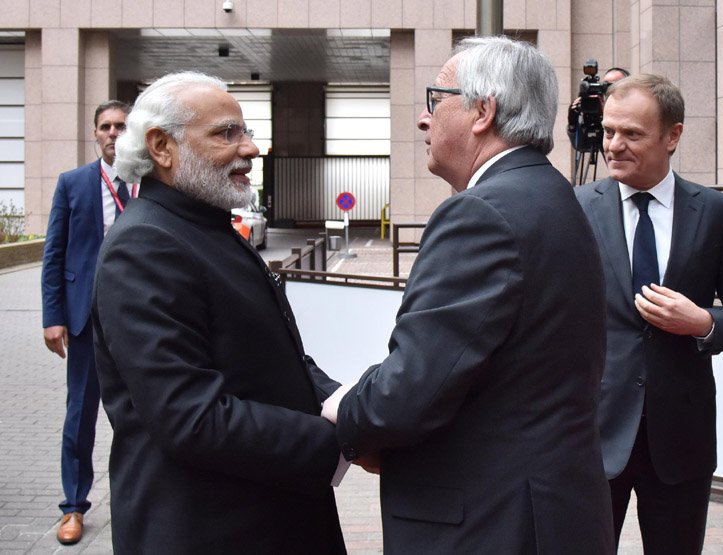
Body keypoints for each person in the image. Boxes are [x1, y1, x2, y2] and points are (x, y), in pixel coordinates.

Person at [321, 36, 614, 554]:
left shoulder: (481, 213)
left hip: (491, 524)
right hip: (549, 512)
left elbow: (412, 391)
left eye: (437, 99)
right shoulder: (553, 197)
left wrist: (347, 410)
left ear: (483, 110)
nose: (423, 119)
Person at [91, 72, 346, 554]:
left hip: (266, 515)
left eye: (245, 131)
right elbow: (191, 417)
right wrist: (337, 439)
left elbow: (274, 358)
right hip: (209, 530)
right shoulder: (145, 246)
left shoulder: (202, 224)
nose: (250, 148)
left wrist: (347, 403)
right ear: (162, 147)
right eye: (226, 133)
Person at [575, 74, 723, 553]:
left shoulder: (717, 213)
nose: (614, 146)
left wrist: (703, 323)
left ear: (673, 136)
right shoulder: (576, 207)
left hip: (682, 442)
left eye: (633, 134)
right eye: (609, 131)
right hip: (593, 436)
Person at [41, 99, 131, 545]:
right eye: (105, 127)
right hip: (83, 322)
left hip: (136, 323)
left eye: (121, 126)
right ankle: (73, 507)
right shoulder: (73, 184)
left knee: (141, 414)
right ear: (95, 134)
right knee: (80, 415)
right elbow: (54, 254)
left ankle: (139, 497)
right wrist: (52, 316)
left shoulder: (149, 184)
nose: (113, 133)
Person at [567, 66, 630, 150]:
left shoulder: (635, 111)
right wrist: (572, 123)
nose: (608, 90)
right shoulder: (597, 109)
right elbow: (582, 146)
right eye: (605, 85)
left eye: (612, 85)